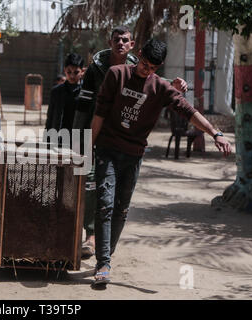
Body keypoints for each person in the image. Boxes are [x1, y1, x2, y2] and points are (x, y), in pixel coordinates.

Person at [90, 38, 232, 285]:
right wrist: (88, 148)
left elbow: (188, 111)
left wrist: (215, 133)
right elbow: (100, 112)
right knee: (104, 204)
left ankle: (107, 253)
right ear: (139, 54)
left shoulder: (160, 87)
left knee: (121, 210)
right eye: (144, 64)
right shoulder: (116, 74)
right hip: (107, 150)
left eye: (153, 68)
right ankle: (103, 263)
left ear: (160, 66)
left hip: (133, 156)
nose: (147, 70)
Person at [74, 26, 188, 258]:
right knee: (91, 183)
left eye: (125, 40)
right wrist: (79, 139)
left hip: (124, 141)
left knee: (117, 200)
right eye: (117, 39)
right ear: (110, 41)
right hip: (97, 135)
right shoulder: (97, 70)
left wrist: (175, 84)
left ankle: (104, 246)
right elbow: (84, 105)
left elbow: (151, 80)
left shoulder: (141, 66)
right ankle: (91, 236)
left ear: (132, 44)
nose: (121, 43)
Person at [45, 53, 84, 145]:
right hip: (58, 138)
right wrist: (46, 139)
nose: (72, 76)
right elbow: (50, 117)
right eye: (69, 72)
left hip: (78, 140)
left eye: (76, 72)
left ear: (82, 71)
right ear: (64, 70)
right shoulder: (56, 91)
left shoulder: (87, 93)